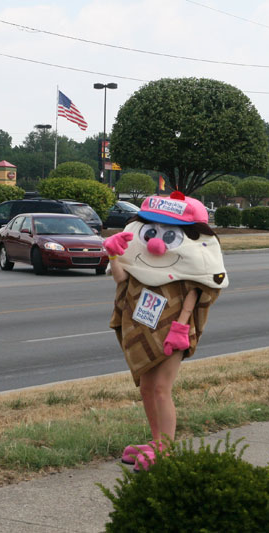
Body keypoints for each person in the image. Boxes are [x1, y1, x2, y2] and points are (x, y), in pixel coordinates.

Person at [104, 191, 228, 471]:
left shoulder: (188, 270)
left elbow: (195, 295)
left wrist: (181, 326)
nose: (157, 242)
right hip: (142, 328)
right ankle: (156, 441)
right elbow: (121, 279)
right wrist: (113, 253)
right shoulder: (140, 263)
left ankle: (166, 448)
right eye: (151, 231)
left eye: (169, 235)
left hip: (173, 331)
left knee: (161, 388)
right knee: (147, 388)